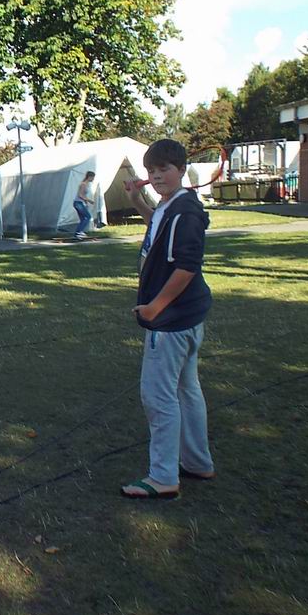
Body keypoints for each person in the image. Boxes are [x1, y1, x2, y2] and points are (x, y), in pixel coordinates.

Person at [121, 139, 214, 500]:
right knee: (187, 391)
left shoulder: (185, 212)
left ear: (182, 170)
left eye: (164, 169)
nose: (157, 176)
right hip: (186, 316)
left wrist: (155, 308)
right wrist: (136, 200)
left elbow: (186, 268)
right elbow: (157, 229)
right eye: (151, 170)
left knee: (158, 397)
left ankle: (163, 477)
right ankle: (198, 462)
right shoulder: (169, 205)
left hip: (172, 320)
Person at [74, 171, 96, 240]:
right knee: (88, 217)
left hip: (80, 203)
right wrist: (89, 200)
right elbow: (80, 195)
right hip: (78, 203)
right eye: (93, 177)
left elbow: (84, 195)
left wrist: (86, 203)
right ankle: (79, 232)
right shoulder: (83, 184)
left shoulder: (86, 184)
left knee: (83, 219)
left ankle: (79, 232)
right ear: (89, 177)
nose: (93, 179)